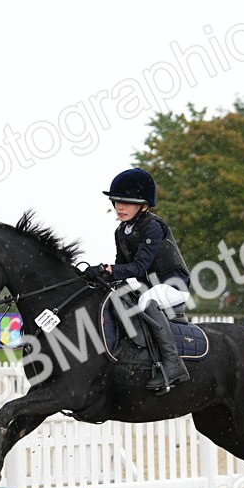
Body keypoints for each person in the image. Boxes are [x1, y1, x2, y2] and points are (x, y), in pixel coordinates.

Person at [84, 168, 192, 393]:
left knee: (146, 301)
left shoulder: (152, 226)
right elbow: (121, 267)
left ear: (143, 205)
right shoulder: (121, 231)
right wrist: (100, 274)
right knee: (116, 295)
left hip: (173, 285)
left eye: (126, 203)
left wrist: (109, 268)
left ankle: (173, 364)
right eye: (116, 202)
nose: (119, 207)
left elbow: (139, 267)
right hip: (149, 286)